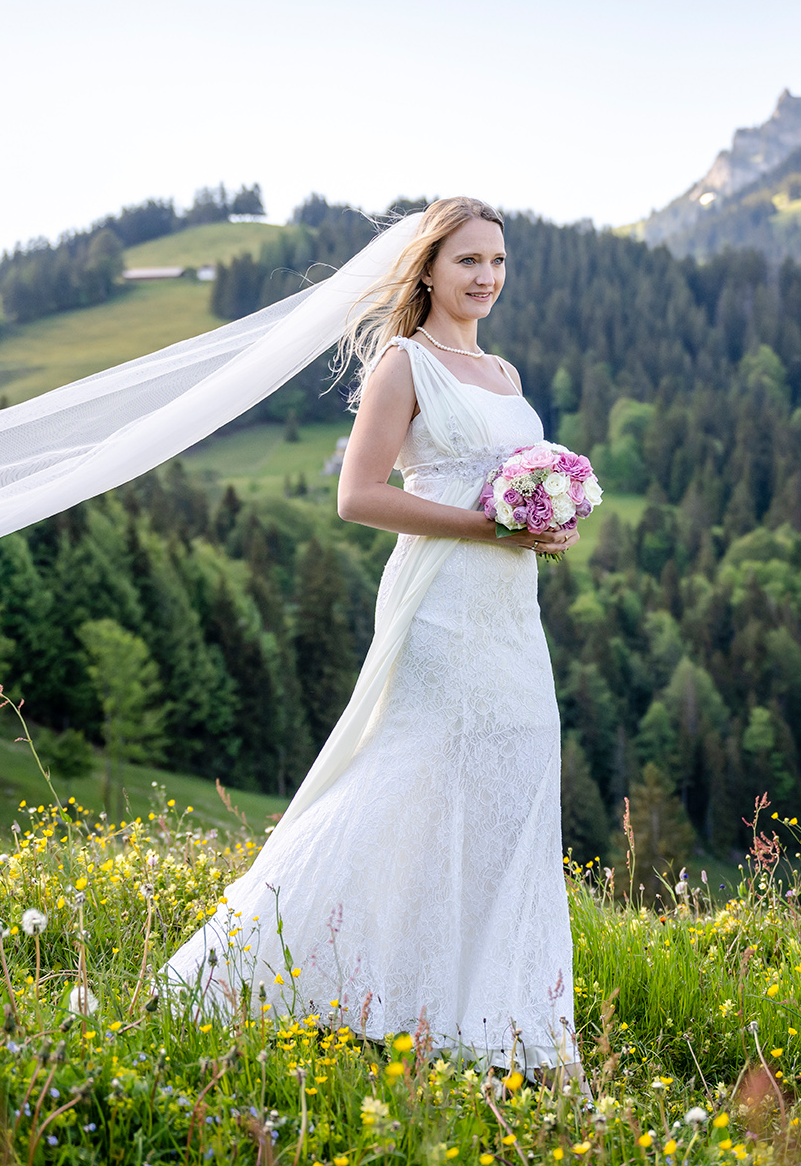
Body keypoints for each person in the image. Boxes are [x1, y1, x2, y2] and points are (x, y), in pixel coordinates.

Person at [157, 196, 582, 1084]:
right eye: (469, 260)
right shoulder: (404, 364)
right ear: (427, 268)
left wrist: (551, 522)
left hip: (510, 611)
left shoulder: (502, 373)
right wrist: (485, 527)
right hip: (438, 603)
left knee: (512, 773)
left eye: (498, 262)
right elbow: (357, 495)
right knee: (407, 778)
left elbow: (512, 487)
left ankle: (485, 1007)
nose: (487, 277)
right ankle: (248, 965)